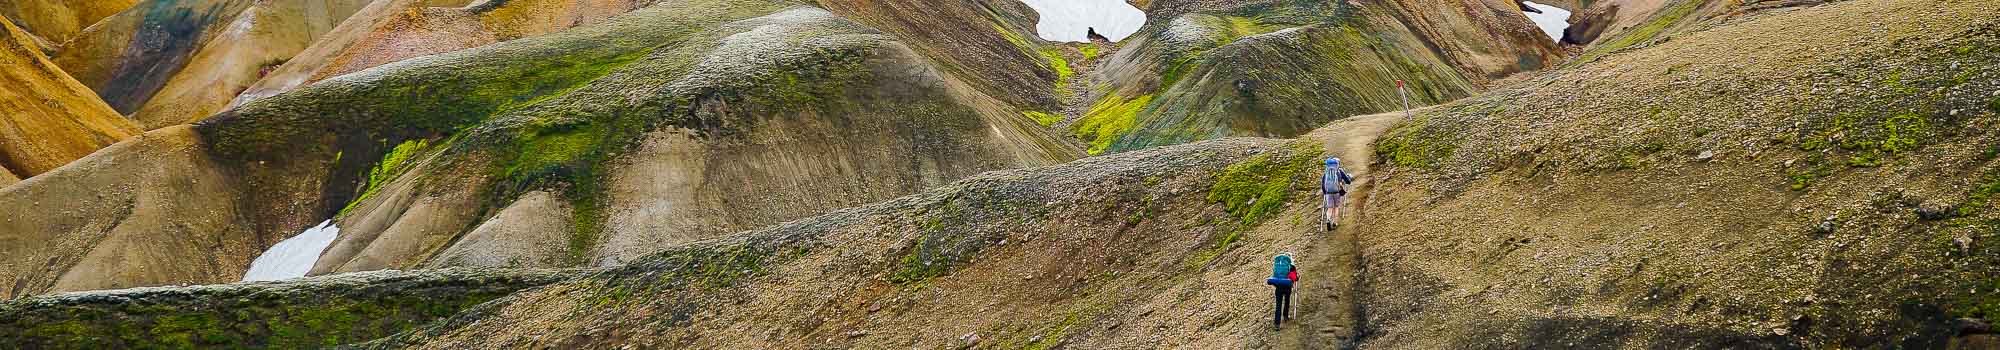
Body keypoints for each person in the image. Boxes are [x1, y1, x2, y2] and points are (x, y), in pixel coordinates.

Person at [1321, 157, 1354, 231]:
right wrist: (1348, 179)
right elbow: (1348, 181)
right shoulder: (1339, 171)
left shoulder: (1326, 172)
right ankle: (1335, 222)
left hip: (1328, 193)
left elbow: (1323, 184)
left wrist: (1325, 193)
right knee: (1336, 207)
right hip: (1337, 192)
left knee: (1329, 208)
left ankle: (1328, 219)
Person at [1267, 255, 1297, 328]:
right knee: (1287, 301)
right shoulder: (1291, 266)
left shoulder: (1277, 265)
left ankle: (1277, 324)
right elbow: (1295, 277)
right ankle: (1285, 316)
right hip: (1287, 287)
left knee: (1278, 304)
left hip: (1278, 287)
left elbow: (1274, 276)